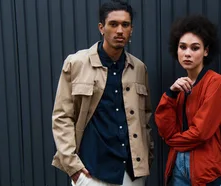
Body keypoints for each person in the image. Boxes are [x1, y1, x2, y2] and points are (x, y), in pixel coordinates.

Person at [51, 1, 153, 185]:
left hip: (131, 173)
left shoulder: (138, 68)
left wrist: (148, 156)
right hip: (91, 172)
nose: (120, 30)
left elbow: (145, 117)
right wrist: (73, 167)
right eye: (113, 24)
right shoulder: (76, 64)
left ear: (132, 29)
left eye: (125, 25)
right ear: (101, 28)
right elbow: (62, 116)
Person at [155, 15, 221, 186]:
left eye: (195, 48)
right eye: (182, 47)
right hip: (178, 166)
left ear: (206, 51)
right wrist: (170, 94)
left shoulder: (215, 82)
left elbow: (200, 132)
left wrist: (172, 141)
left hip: (205, 169)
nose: (187, 53)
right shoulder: (181, 88)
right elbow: (164, 128)